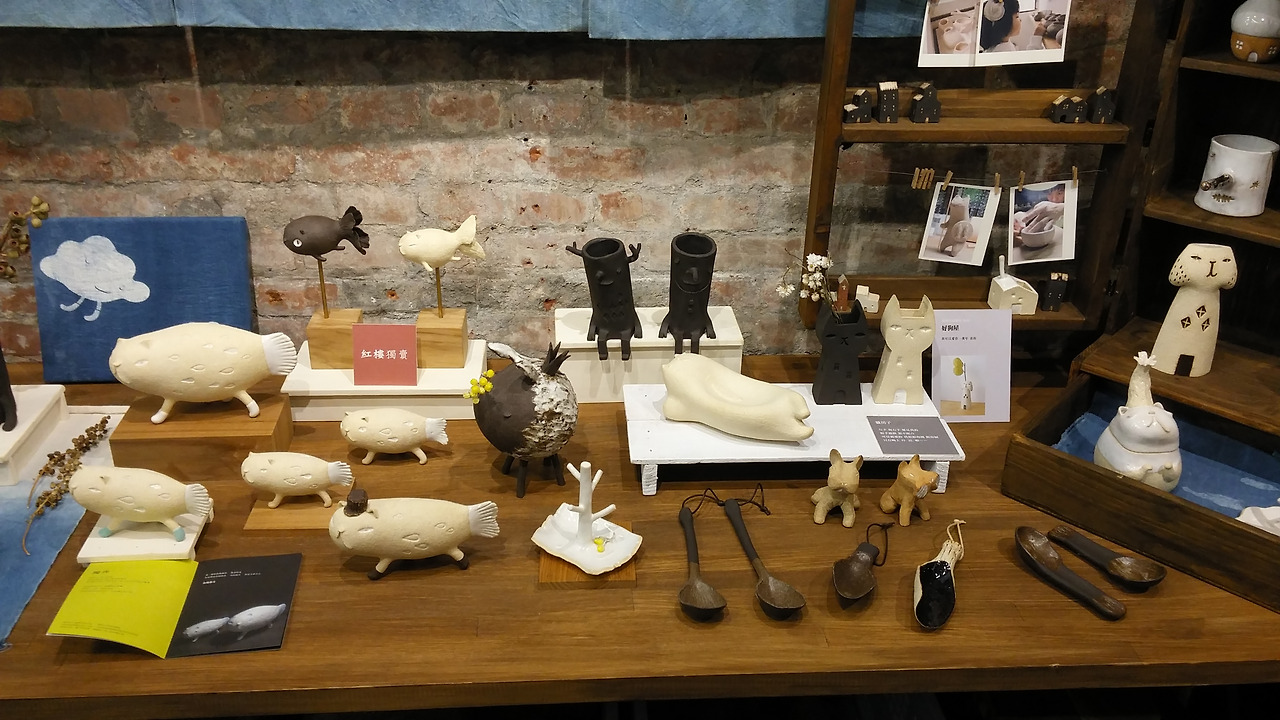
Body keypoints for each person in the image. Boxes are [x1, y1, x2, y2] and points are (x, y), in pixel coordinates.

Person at [979, 0, 1049, 52]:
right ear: (1005, 23)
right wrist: (1037, 37)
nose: (1020, 20)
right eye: (1017, 16)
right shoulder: (1003, 51)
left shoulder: (1001, 45)